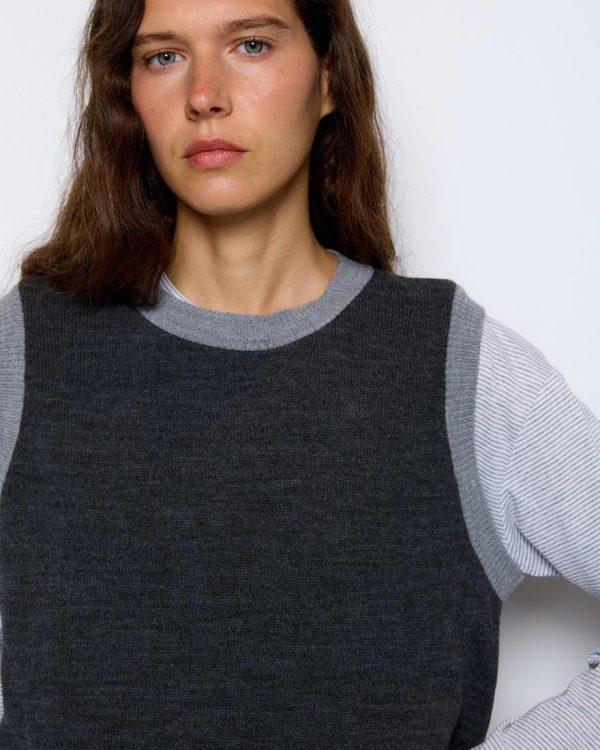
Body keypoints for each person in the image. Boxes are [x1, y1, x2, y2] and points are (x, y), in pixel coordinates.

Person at [0, 0, 598, 747]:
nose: (204, 95)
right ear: (128, 94)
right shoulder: (28, 348)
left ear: (329, 79)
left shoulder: (453, 363)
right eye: (163, 56)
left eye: (251, 44)